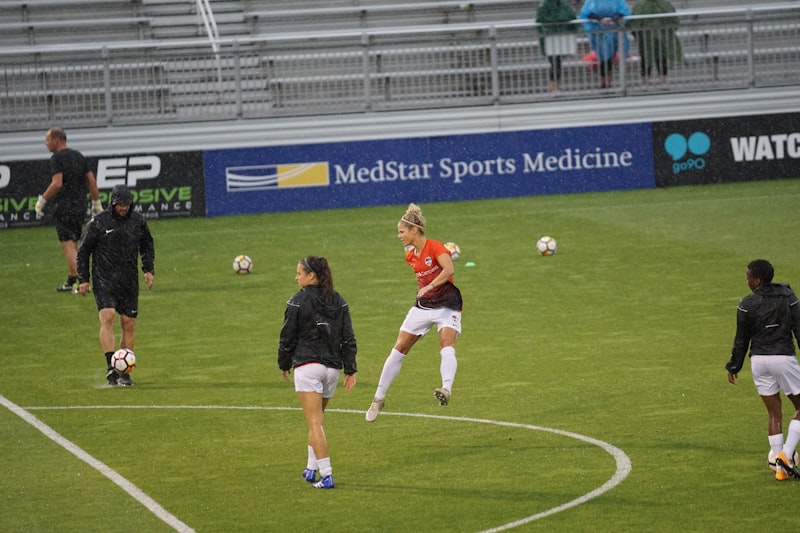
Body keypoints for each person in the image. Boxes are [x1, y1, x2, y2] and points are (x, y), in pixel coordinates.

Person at [366, 203, 463, 422]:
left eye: (402, 232)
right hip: (423, 306)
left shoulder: (435, 247)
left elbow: (449, 269)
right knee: (399, 348)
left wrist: (430, 286)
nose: (399, 236)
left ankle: (446, 389)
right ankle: (378, 399)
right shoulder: (410, 255)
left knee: (446, 343)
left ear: (414, 230)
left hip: (448, 304)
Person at [278, 256, 357, 489]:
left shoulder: (297, 301)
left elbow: (287, 337)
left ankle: (327, 474)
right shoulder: (339, 300)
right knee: (317, 421)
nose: (296, 277)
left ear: (311, 275)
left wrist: (284, 363)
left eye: (299, 273)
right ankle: (311, 468)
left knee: (314, 423)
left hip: (308, 366)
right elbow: (348, 337)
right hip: (332, 370)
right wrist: (350, 369)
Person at [726, 259, 800, 481]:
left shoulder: (746, 303)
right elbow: (799, 329)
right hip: (783, 358)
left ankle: (779, 468)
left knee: (774, 413)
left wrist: (734, 366)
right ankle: (786, 455)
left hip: (758, 361)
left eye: (748, 277)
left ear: (757, 280)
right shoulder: (788, 298)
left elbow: (741, 339)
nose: (746, 280)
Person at [77, 184, 155, 387]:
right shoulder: (99, 222)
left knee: (129, 323)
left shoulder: (138, 221)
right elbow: (83, 251)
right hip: (104, 279)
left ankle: (124, 372)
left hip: (128, 281)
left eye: (127, 204)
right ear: (113, 203)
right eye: (120, 204)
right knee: (108, 316)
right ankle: (111, 367)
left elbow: (147, 244)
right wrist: (84, 278)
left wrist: (148, 270)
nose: (124, 208)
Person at [35, 127, 103, 292]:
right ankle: (72, 279)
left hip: (64, 206)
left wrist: (42, 200)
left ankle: (82, 282)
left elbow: (57, 183)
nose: (46, 144)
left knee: (67, 245)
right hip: (79, 205)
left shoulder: (57, 158)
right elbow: (92, 181)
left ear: (56, 140)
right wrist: (96, 203)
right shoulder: (78, 156)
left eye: (47, 140)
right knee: (74, 242)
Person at [579, 0, 631, 88]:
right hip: (599, 32)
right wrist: (599, 19)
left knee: (610, 57)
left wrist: (614, 18)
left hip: (613, 30)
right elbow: (586, 12)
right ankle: (604, 82)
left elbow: (624, 10)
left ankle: (608, 82)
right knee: (604, 57)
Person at [629, 0, 683, 86]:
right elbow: (673, 20)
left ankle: (647, 82)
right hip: (656, 36)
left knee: (650, 58)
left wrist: (636, 34)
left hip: (648, 36)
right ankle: (661, 81)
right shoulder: (664, 4)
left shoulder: (640, 5)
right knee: (659, 58)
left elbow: (634, 23)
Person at [536, 0, 579, 93]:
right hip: (550, 38)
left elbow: (570, 16)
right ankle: (553, 87)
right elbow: (540, 20)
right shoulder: (546, 5)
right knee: (555, 63)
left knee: (557, 63)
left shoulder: (560, 4)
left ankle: (555, 87)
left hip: (557, 38)